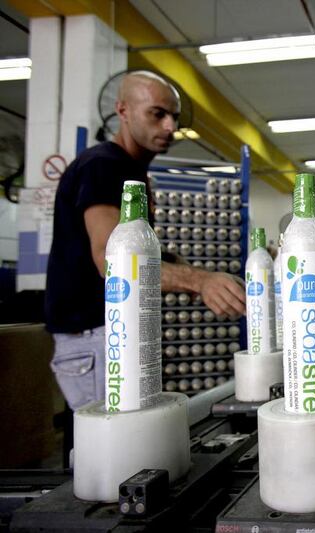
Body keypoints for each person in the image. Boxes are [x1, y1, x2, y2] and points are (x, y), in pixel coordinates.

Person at [45, 71, 246, 410]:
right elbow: (112, 262)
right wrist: (200, 281)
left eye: (174, 117)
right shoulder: (104, 166)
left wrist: (174, 263)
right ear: (123, 111)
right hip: (98, 336)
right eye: (157, 114)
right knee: (115, 455)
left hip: (111, 332)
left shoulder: (128, 171)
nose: (170, 126)